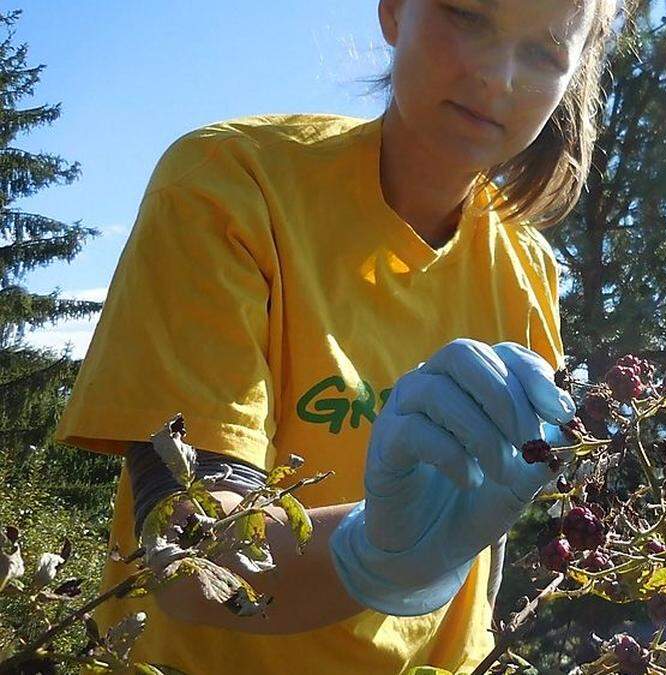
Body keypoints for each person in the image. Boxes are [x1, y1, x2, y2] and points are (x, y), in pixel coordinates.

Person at [51, 0, 629, 672]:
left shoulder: (527, 270)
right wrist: (372, 552)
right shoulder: (231, 185)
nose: (498, 77)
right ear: (392, 10)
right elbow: (185, 549)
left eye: (545, 53)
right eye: (467, 14)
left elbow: (481, 545)